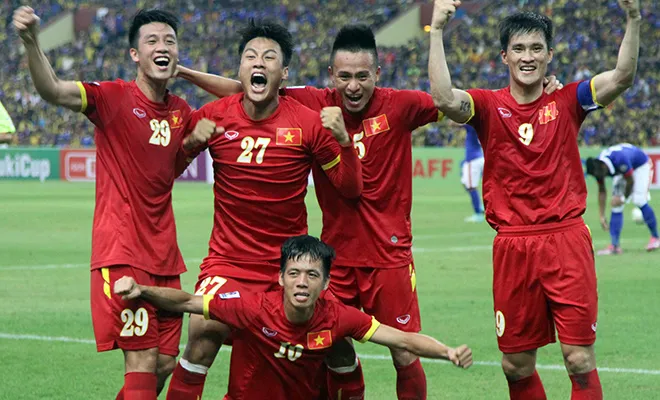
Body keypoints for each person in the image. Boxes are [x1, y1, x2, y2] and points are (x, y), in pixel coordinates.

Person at [175, 22, 562, 400]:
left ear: (377, 73)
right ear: (332, 75)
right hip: (336, 259)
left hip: (389, 257)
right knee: (331, 347)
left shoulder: (402, 105)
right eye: (344, 77)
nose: (353, 86)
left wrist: (531, 91)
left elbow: (453, 102)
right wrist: (185, 73)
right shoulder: (315, 102)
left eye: (363, 76)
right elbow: (248, 88)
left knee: (404, 352)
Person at [428, 0, 641, 399]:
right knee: (515, 364)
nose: (528, 57)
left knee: (579, 359)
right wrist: (436, 30)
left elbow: (622, 77)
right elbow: (443, 99)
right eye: (520, 49)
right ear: (504, 56)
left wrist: (633, 17)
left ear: (549, 54)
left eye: (536, 48)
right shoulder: (487, 105)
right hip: (513, 246)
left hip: (565, 240)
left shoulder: (569, 99)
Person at [165, 20, 363, 400]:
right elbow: (167, 173)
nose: (259, 62)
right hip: (229, 263)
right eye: (251, 56)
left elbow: (350, 188)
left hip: (287, 267)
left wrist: (344, 142)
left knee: (338, 343)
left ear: (283, 73)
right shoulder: (214, 115)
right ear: (240, 69)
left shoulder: (307, 124)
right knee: (203, 333)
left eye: (269, 57)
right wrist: (189, 144)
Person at [13, 6, 203, 398]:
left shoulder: (181, 113)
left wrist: (185, 75)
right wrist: (32, 41)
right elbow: (53, 90)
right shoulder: (113, 97)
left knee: (164, 364)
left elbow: (246, 95)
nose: (162, 46)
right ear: (134, 53)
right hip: (122, 253)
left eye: (169, 41)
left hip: (166, 258)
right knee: (142, 360)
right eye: (152, 41)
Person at [114, 235, 473, 400]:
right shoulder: (251, 307)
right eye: (295, 274)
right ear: (281, 278)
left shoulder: (339, 317)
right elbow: (189, 302)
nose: (302, 283)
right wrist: (141, 290)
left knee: (343, 352)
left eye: (312, 275)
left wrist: (447, 352)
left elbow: (403, 339)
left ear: (326, 283)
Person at [585, 143, 658, 254]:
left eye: (599, 175)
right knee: (615, 204)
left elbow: (630, 181)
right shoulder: (598, 167)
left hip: (641, 165)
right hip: (622, 172)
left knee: (639, 200)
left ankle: (656, 238)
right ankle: (615, 246)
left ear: (603, 167)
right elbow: (602, 191)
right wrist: (602, 216)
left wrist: (623, 199)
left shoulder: (619, 159)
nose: (600, 178)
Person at [460, 123, 484, 222]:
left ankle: (478, 213)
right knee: (465, 183)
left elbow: (458, 122)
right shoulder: (479, 127)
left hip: (473, 159)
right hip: (475, 157)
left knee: (471, 187)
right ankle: (479, 206)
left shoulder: (472, 126)